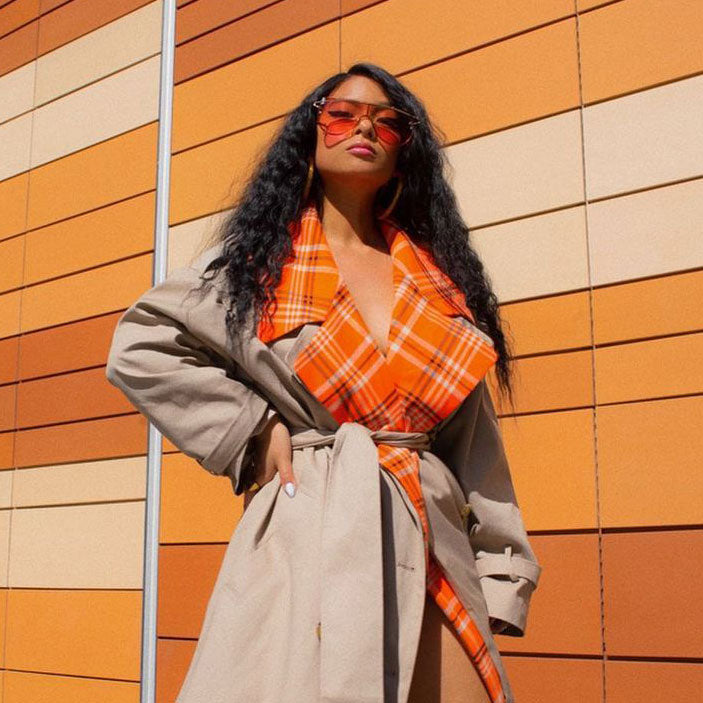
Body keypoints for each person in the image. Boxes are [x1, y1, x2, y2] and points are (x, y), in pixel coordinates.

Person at [106, 62, 542, 703]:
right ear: (310, 135)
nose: (364, 127)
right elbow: (140, 346)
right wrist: (251, 429)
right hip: (308, 527)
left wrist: (502, 569)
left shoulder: (438, 283)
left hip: (430, 537)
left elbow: (475, 444)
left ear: (404, 153)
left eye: (387, 122)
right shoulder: (258, 265)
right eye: (342, 114)